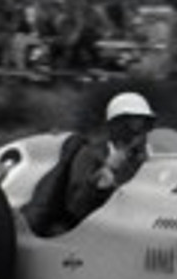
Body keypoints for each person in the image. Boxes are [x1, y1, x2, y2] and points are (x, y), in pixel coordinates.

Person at [65, 92, 156, 225]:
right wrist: (101, 179)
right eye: (133, 123)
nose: (140, 130)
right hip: (100, 227)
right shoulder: (90, 154)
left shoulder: (148, 156)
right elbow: (75, 207)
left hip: (141, 223)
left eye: (144, 123)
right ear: (117, 124)